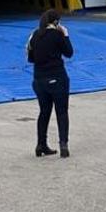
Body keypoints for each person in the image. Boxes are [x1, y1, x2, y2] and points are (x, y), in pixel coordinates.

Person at [27, 9, 73, 158]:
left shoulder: (34, 35)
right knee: (61, 111)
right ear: (56, 22)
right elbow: (69, 52)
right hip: (57, 77)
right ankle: (63, 144)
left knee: (44, 112)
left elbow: (31, 58)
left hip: (39, 80)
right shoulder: (57, 35)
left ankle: (41, 144)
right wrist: (65, 35)